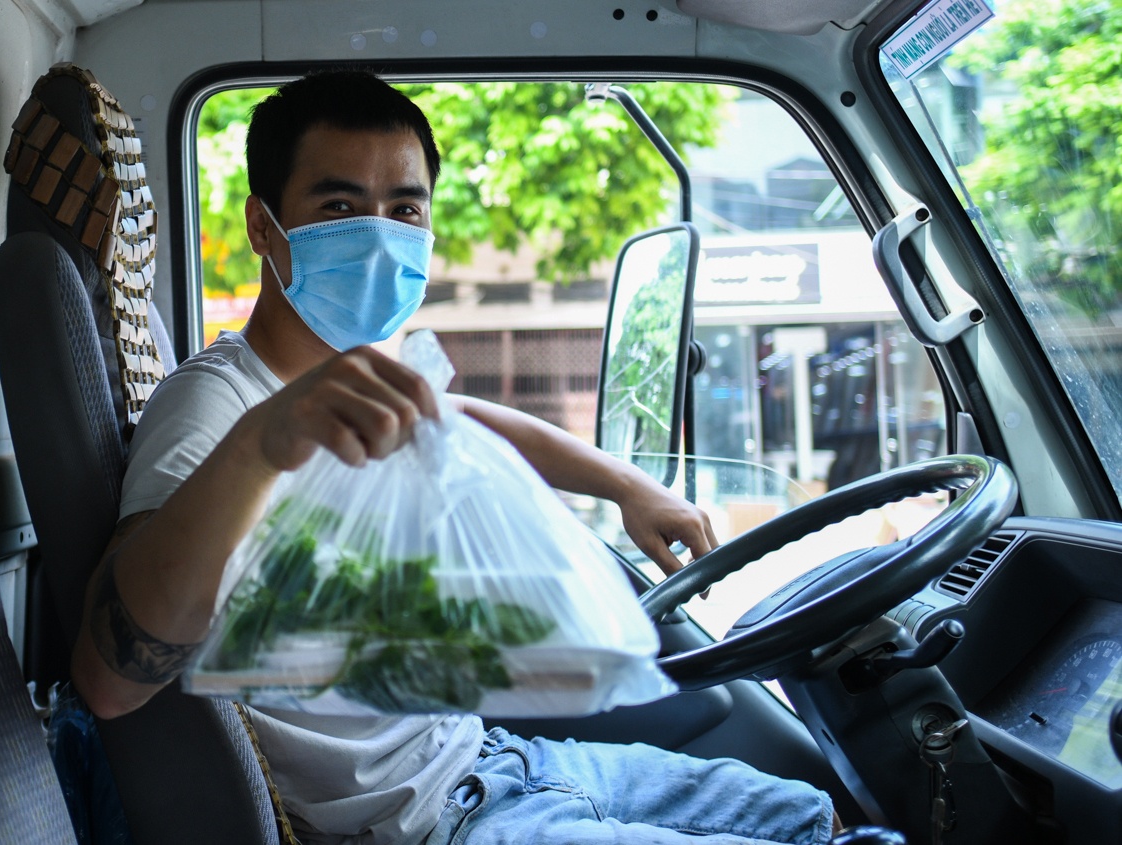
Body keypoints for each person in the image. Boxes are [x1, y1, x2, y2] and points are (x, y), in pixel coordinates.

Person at [71, 70, 839, 845]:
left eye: (403, 209)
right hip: (429, 827)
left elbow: (467, 418)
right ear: (263, 228)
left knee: (813, 813)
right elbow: (108, 680)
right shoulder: (216, 405)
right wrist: (263, 443)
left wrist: (628, 485)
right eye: (338, 207)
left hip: (496, 761)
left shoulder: (360, 379)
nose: (377, 236)